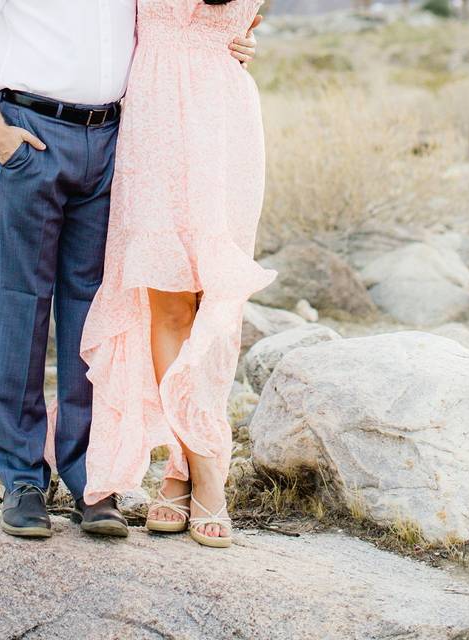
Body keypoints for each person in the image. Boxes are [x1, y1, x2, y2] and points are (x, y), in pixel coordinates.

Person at [0, 0, 259, 539]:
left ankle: (92, 478)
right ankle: (22, 480)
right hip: (31, 129)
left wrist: (234, 38)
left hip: (114, 137)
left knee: (93, 309)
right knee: (24, 304)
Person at [80, 0, 275, 549]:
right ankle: (185, 464)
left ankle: (198, 468)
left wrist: (244, 39)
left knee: (214, 298)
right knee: (167, 304)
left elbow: (243, 23)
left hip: (222, 126)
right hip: (154, 122)